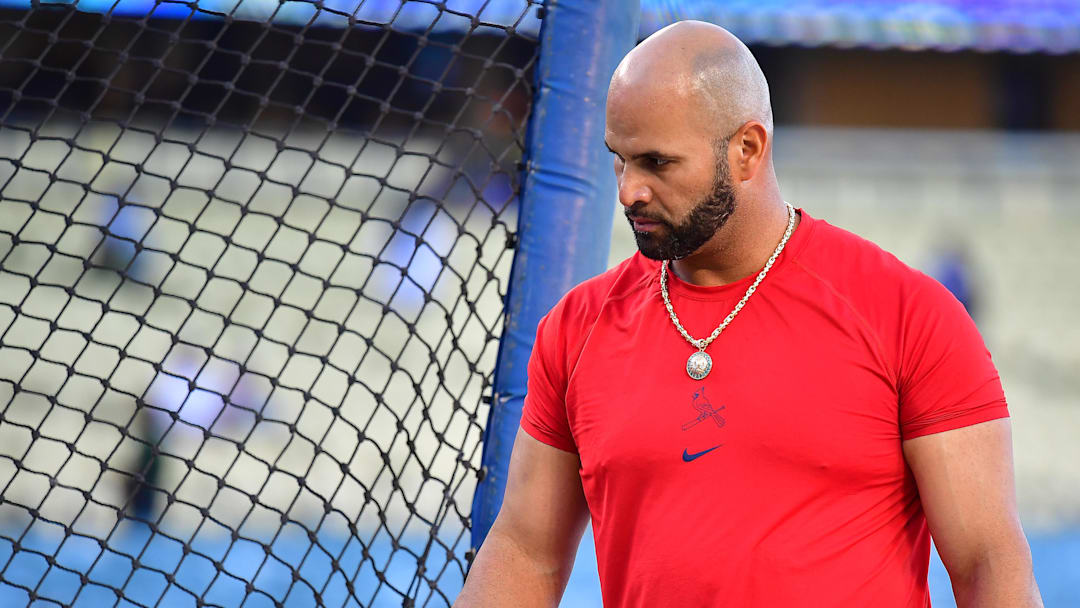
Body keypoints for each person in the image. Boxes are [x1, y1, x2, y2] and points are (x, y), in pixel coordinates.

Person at [455, 21, 1042, 608]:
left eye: (657, 162)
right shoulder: (576, 328)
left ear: (747, 150)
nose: (629, 191)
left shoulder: (907, 315)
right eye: (620, 160)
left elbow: (986, 563)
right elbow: (526, 551)